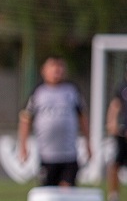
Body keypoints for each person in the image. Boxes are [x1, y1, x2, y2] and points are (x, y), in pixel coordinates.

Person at [17, 56, 90, 186]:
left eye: (60, 67)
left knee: (67, 191)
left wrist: (88, 143)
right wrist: (23, 146)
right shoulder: (38, 92)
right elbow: (25, 119)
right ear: (44, 70)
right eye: (53, 67)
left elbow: (82, 117)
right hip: (46, 155)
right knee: (48, 193)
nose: (57, 70)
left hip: (69, 154)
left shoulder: (72, 91)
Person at [105, 67, 127, 201]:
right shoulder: (122, 88)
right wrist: (111, 123)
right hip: (123, 133)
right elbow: (115, 106)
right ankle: (113, 198)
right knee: (115, 165)